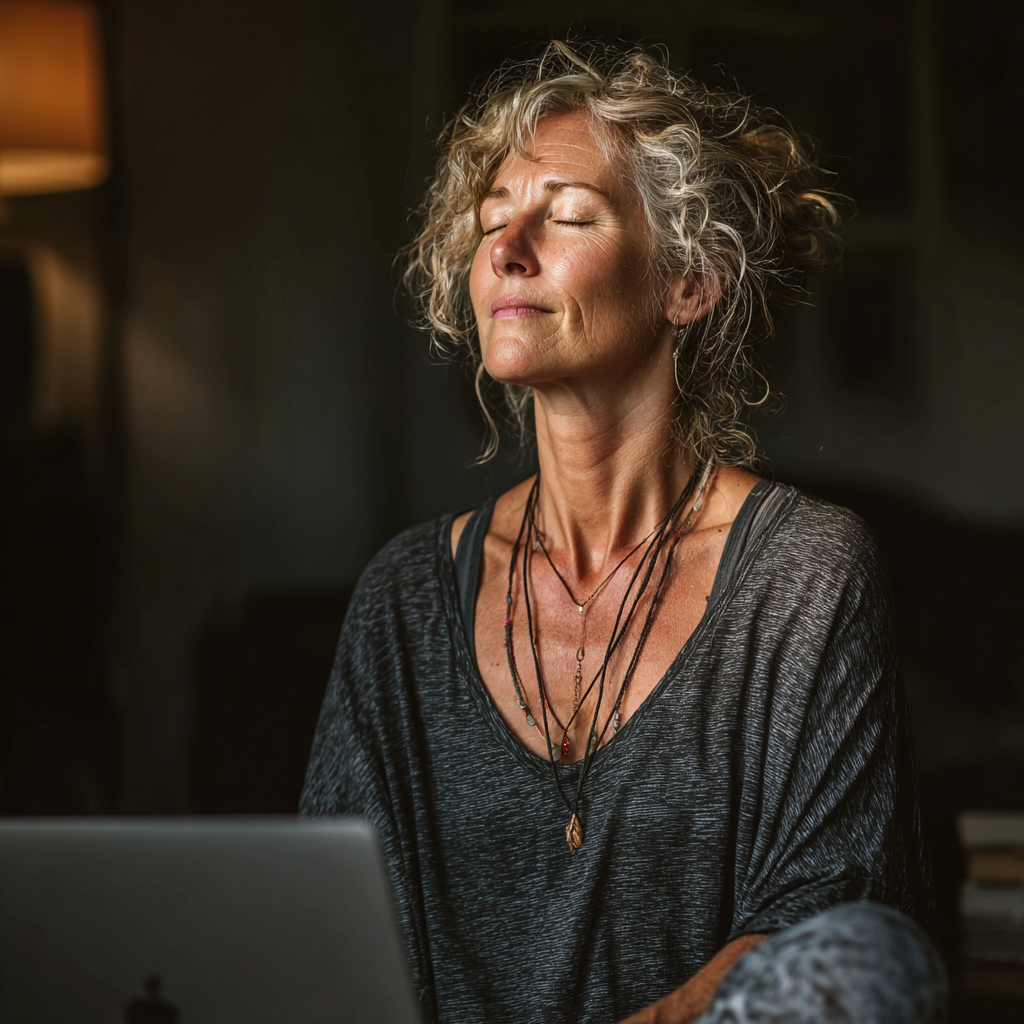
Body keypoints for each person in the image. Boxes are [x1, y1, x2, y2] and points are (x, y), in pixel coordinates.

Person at [301, 42, 943, 1024]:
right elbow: (327, 939)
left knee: (870, 957)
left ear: (687, 282)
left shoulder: (805, 571)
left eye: (565, 216)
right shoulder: (403, 596)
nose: (508, 249)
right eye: (488, 224)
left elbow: (824, 931)